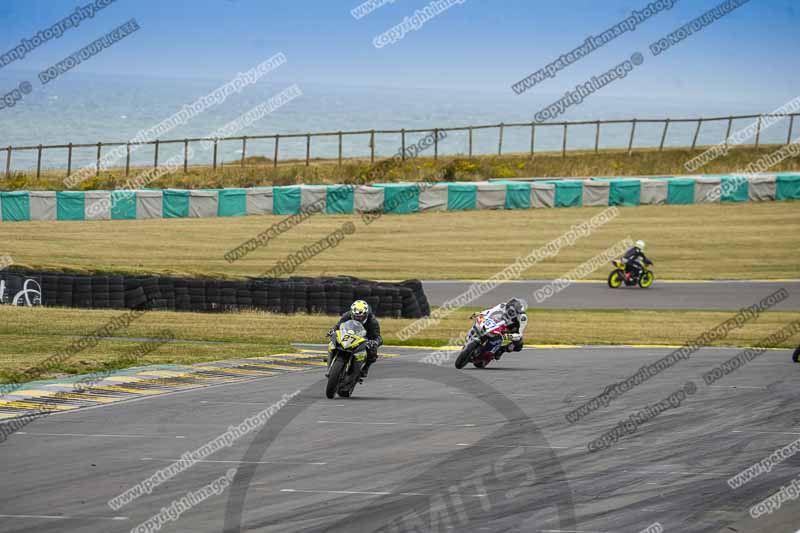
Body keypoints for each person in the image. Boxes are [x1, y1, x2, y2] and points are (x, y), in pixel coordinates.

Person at [326, 300, 382, 379]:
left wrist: (375, 342)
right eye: (356, 316)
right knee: (333, 341)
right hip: (348, 334)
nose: (358, 318)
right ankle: (330, 364)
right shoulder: (347, 315)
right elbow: (338, 326)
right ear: (352, 313)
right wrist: (332, 330)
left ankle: (365, 368)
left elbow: (378, 337)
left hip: (364, 338)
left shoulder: (372, 321)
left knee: (372, 352)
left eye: (361, 317)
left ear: (365, 315)